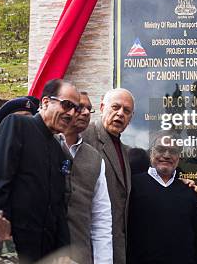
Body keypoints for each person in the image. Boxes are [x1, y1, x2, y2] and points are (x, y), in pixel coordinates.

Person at [0, 79, 74, 263]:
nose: (72, 113)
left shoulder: (59, 152)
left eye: (76, 108)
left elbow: (58, 207)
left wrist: (63, 252)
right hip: (12, 249)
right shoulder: (17, 125)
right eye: (67, 105)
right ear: (46, 102)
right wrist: (4, 246)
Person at [127, 132, 197, 264]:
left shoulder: (189, 191)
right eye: (160, 150)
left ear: (178, 157)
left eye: (172, 151)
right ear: (151, 153)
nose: (166, 155)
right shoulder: (132, 186)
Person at [57, 92, 113, 264]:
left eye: (89, 109)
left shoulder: (94, 158)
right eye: (80, 107)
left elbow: (101, 219)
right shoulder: (44, 144)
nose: (87, 112)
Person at [83, 88, 134, 264]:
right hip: (88, 248)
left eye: (126, 111)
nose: (120, 114)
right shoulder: (84, 137)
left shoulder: (126, 152)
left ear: (130, 119)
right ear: (102, 107)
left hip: (116, 247)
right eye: (115, 107)